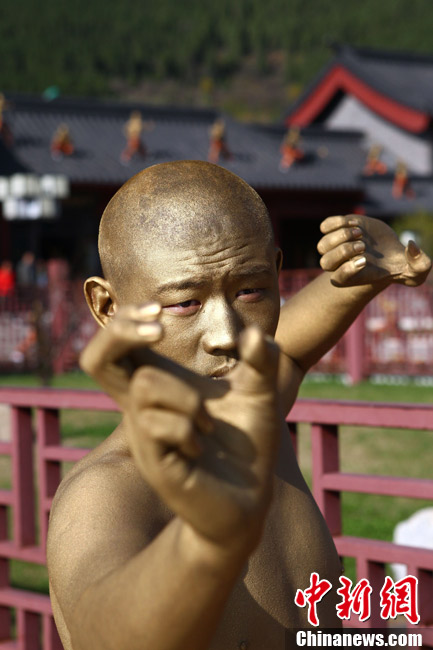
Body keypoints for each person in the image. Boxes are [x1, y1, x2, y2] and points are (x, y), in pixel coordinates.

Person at [47, 161, 431, 650]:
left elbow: (288, 346)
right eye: (185, 303)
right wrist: (206, 546)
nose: (227, 335)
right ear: (108, 307)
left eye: (249, 291)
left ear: (274, 274)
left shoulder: (255, 415)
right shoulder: (105, 492)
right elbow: (99, 629)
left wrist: (367, 269)